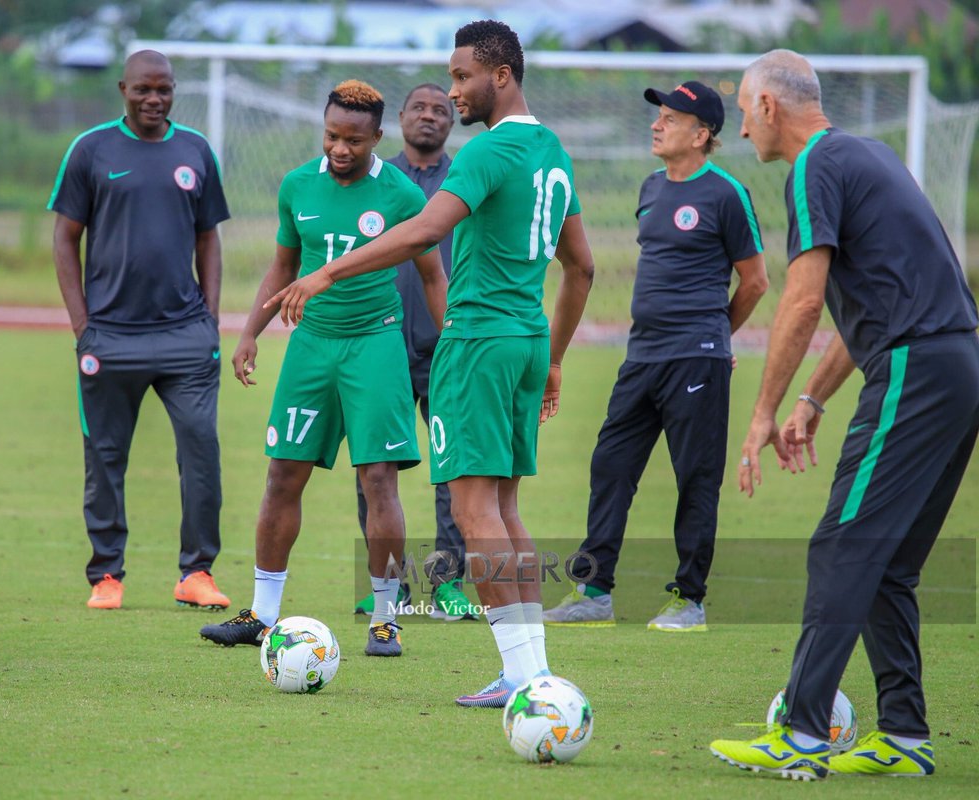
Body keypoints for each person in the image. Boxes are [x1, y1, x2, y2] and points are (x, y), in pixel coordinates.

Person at [267, 21, 596, 707]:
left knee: (476, 513)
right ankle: (533, 669)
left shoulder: (488, 152)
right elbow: (582, 268)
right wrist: (556, 359)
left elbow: (422, 231)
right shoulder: (554, 152)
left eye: (461, 76)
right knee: (505, 508)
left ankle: (523, 678)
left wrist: (328, 273)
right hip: (528, 339)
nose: (452, 91)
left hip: (476, 341)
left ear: (500, 75)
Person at [709, 49, 979, 780]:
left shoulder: (814, 168)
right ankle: (904, 735)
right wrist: (812, 398)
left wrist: (762, 412)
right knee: (886, 564)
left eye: (741, 108)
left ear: (769, 107)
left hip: (916, 371)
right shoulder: (867, 155)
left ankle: (799, 733)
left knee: (843, 547)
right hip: (953, 366)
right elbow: (882, 304)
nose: (739, 128)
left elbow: (802, 297)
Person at [198, 80, 447, 657]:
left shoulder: (404, 196)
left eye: (353, 140)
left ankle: (386, 616)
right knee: (283, 474)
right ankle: (262, 615)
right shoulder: (297, 185)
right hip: (310, 346)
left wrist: (451, 343)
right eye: (332, 136)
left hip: (376, 346)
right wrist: (248, 334)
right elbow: (282, 265)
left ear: (377, 138)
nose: (340, 148)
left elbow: (433, 278)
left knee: (379, 479)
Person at [544, 81, 768, 631]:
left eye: (669, 117)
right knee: (610, 464)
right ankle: (594, 589)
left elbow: (757, 281)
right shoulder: (649, 187)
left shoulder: (725, 194)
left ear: (702, 133)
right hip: (640, 357)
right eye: (658, 115)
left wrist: (717, 337)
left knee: (695, 477)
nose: (656, 124)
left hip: (696, 360)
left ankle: (689, 598)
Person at [48, 50, 232, 611]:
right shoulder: (91, 149)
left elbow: (209, 240)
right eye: (143, 90)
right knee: (105, 457)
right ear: (123, 89)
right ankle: (107, 575)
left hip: (185, 338)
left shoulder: (195, 150)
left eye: (165, 90)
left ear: (174, 91)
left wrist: (210, 319)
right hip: (111, 338)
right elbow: (64, 239)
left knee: (201, 451)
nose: (154, 99)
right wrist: (83, 325)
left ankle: (196, 573)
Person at [351, 83, 476, 622]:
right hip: (378, 343)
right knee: (375, 468)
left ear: (453, 123)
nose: (429, 116)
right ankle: (391, 585)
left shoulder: (468, 178)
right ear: (399, 118)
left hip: (444, 345)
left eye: (440, 110)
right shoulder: (373, 178)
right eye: (419, 108)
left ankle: (447, 583)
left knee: (453, 467)